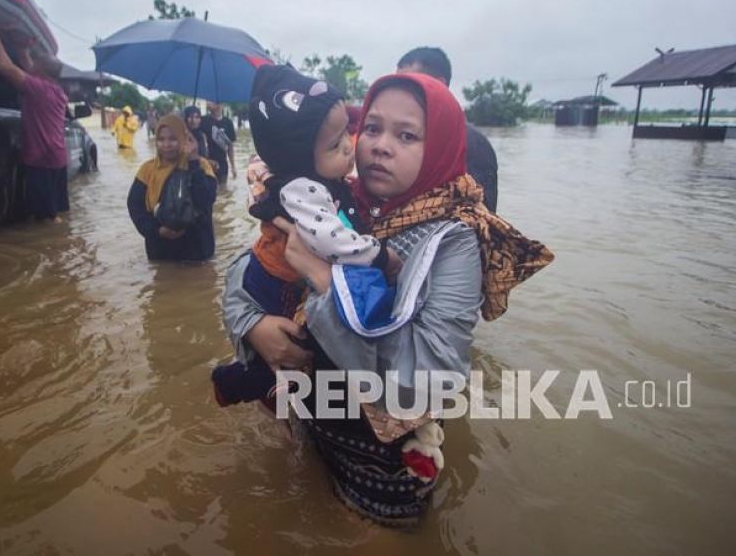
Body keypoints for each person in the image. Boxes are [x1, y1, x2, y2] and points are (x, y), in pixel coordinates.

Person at [221, 72, 553, 526]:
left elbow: (429, 380)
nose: (380, 146)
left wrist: (322, 278)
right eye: (372, 128)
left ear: (439, 147)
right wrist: (253, 326)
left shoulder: (453, 241)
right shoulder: (335, 197)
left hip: (379, 453)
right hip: (315, 411)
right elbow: (248, 267)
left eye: (407, 135)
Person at [212, 65, 399, 406]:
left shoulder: (445, 232)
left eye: (349, 132)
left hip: (290, 281)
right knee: (293, 348)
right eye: (336, 144)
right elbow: (332, 240)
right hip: (279, 283)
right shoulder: (305, 189)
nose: (350, 147)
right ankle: (235, 383)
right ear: (301, 159)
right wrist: (381, 255)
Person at [397, 47, 499, 212]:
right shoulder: (402, 135)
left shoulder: (471, 143)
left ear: (439, 84)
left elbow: (481, 213)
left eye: (409, 85)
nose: (397, 94)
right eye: (397, 85)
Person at [0, 30, 69, 222]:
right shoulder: (55, 90)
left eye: (35, 63)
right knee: (55, 214)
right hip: (56, 158)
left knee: (46, 220)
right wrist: (22, 48)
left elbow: (4, 66)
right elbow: (29, 67)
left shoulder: (39, 89)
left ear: (40, 70)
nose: (30, 65)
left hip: (41, 160)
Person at [127, 115, 218, 262]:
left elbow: (206, 200)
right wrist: (157, 230)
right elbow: (135, 207)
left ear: (184, 139)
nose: (166, 144)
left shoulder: (201, 165)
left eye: (173, 139)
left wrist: (194, 161)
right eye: (161, 139)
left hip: (196, 251)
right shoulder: (147, 170)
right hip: (161, 252)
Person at [200, 100, 236, 183]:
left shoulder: (228, 122)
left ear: (220, 104)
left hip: (222, 164)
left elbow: (230, 147)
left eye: (210, 101)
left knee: (223, 189)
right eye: (207, 100)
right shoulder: (203, 120)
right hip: (206, 163)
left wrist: (233, 166)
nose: (207, 103)